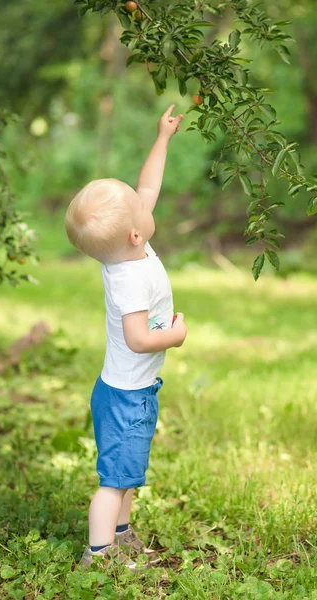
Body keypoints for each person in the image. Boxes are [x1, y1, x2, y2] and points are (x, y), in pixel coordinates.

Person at [64, 104, 187, 572]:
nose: (145, 199)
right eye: (140, 207)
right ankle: (99, 555)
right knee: (113, 482)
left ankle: (120, 533)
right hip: (125, 395)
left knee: (127, 475)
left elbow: (148, 186)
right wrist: (173, 337)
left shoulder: (128, 247)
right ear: (136, 233)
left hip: (131, 389)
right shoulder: (130, 279)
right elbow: (137, 338)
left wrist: (162, 138)